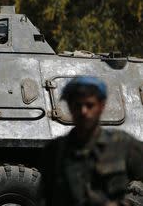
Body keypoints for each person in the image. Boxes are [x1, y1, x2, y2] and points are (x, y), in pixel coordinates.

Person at [39, 76, 143, 206]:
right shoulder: (54, 150)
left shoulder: (123, 145)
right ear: (70, 108)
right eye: (77, 105)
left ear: (101, 106)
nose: (83, 112)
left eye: (89, 105)